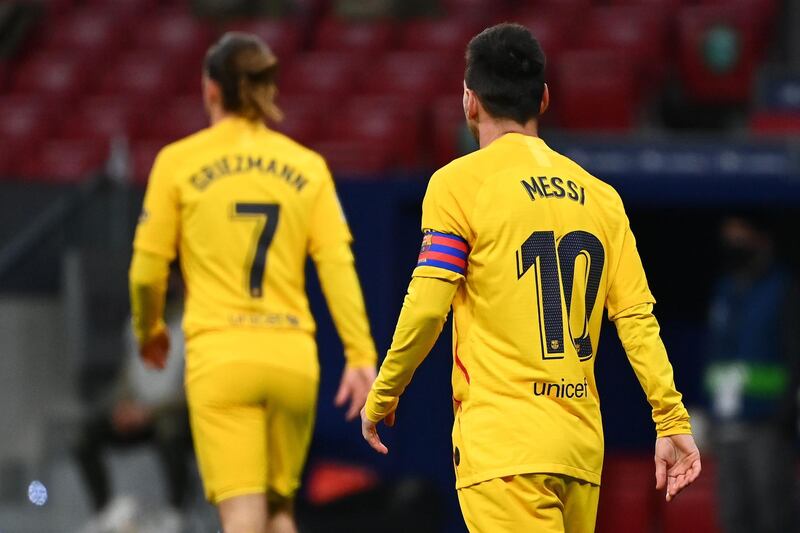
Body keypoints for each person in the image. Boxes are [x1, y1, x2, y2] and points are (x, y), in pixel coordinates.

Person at [360, 23, 702, 533]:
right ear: (543, 98)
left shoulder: (458, 184)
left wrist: (384, 393)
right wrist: (670, 419)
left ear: (469, 101)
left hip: (505, 448)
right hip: (579, 450)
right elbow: (635, 317)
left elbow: (429, 305)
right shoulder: (601, 197)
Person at [128, 32, 378, 533]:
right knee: (279, 513)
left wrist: (149, 328)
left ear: (210, 90)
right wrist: (360, 354)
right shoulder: (308, 167)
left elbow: (145, 272)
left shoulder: (178, 162)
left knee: (242, 517)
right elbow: (336, 267)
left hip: (222, 358)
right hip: (291, 361)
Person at [705, 215, 799, 533]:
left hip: (767, 425)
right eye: (728, 239)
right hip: (728, 425)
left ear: (762, 240)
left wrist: (783, 414)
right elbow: (715, 353)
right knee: (732, 517)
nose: (734, 247)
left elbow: (793, 353)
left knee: (773, 516)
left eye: (741, 239)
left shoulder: (782, 288)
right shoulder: (724, 290)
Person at [75, 300, 189, 533]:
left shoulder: (190, 327)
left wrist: (150, 412)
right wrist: (123, 405)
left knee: (170, 433)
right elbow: (128, 373)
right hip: (138, 413)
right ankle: (103, 512)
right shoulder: (135, 325)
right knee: (83, 437)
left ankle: (176, 512)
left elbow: (191, 390)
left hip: (173, 414)